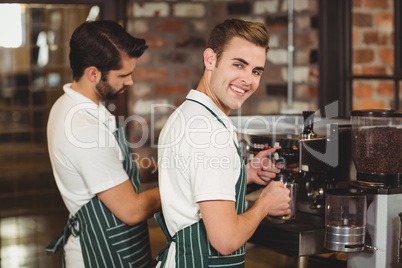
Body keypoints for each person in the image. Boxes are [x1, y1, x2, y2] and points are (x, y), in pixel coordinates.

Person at [156, 18, 291, 267]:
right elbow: (226, 240)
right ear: (210, 59)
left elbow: (192, 186)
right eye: (238, 64)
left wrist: (243, 175)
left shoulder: (189, 114)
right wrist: (265, 204)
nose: (248, 80)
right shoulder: (208, 132)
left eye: (256, 71)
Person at [46, 20, 160, 268]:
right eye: (123, 75)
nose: (129, 82)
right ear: (93, 73)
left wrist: (167, 167)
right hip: (100, 253)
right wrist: (187, 185)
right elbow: (132, 210)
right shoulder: (83, 129)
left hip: (118, 246)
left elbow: (114, 163)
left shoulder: (68, 104)